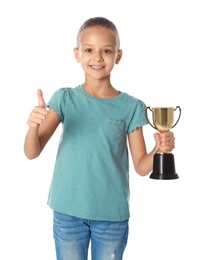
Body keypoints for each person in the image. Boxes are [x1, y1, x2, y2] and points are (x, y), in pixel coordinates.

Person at [24, 17, 175, 260]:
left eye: (106, 51)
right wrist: (33, 126)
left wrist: (160, 148)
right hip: (67, 212)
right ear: (77, 54)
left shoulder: (131, 106)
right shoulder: (64, 99)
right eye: (89, 50)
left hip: (111, 217)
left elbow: (141, 167)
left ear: (118, 55)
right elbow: (32, 152)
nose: (97, 57)